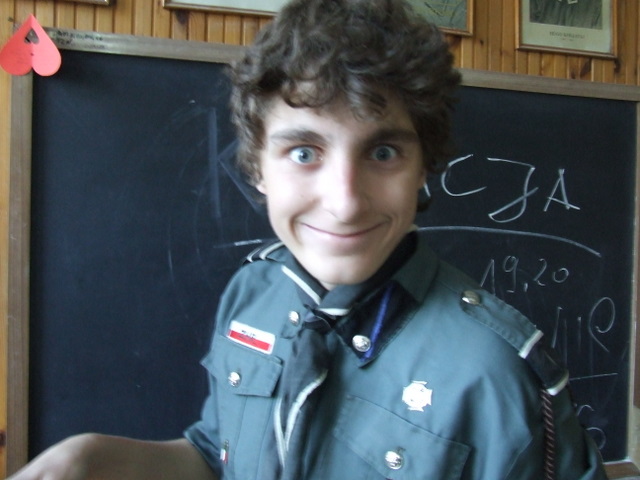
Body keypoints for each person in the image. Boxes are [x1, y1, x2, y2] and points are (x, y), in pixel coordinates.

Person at [9, 0, 608, 478]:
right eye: (303, 152)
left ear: (424, 166)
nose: (345, 202)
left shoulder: (494, 375)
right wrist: (94, 457)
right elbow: (219, 454)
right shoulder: (253, 295)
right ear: (256, 167)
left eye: (382, 152)